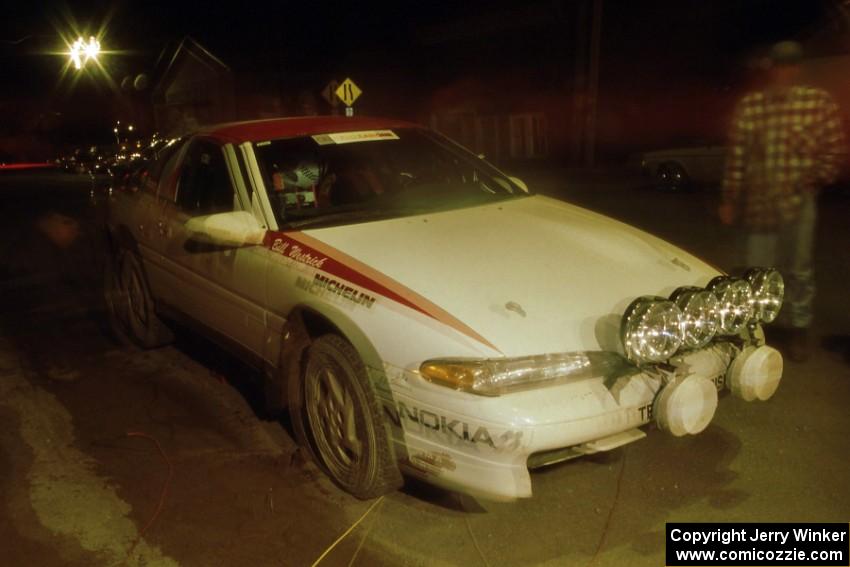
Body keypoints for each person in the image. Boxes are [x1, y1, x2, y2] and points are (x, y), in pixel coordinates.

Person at [719, 40, 847, 362]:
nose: (782, 71)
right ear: (770, 69)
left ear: (797, 68)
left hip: (799, 201)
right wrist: (730, 198)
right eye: (777, 65)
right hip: (758, 201)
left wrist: (815, 178)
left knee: (798, 269)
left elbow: (835, 148)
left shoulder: (816, 103)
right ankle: (757, 329)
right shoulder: (752, 106)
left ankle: (797, 329)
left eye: (789, 65)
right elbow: (738, 157)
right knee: (756, 269)